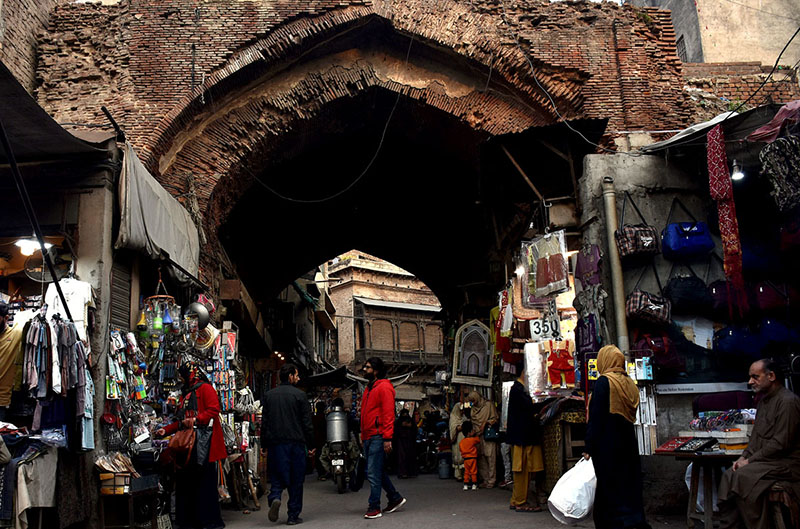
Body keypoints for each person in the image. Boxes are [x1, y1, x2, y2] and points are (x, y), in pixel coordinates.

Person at [718, 358, 800, 529]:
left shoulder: (788, 401)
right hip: (765, 461)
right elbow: (756, 438)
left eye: (755, 377)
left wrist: (749, 462)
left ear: (771, 376)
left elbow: (781, 443)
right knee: (729, 474)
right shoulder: (763, 401)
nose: (750, 382)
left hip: (786, 464)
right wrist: (743, 457)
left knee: (742, 476)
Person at [583, 345, 650, 529]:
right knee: (629, 489)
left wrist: (588, 447)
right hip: (628, 445)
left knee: (608, 491)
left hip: (608, 447)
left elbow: (596, 419)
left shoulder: (605, 382)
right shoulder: (629, 383)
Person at [156, 362, 226, 529]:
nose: (180, 377)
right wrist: (165, 431)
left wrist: (196, 419)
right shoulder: (185, 393)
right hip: (188, 445)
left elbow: (214, 410)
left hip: (203, 444)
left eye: (182, 374)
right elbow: (181, 421)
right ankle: (189, 521)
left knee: (204, 483)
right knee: (187, 483)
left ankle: (208, 521)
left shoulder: (206, 389)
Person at [260, 363, 315, 526]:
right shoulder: (300, 395)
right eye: (296, 375)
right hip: (296, 444)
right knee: (296, 480)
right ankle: (292, 516)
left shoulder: (269, 395)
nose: (298, 378)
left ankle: (275, 497)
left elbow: (265, 423)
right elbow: (307, 423)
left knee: (277, 476)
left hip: (276, 444)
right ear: (290, 376)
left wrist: (264, 445)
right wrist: (311, 444)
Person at [360, 357, 406, 519]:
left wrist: (387, 438)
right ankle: (394, 497)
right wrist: (363, 434)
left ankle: (374, 507)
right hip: (368, 436)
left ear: (377, 370)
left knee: (372, 472)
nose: (365, 370)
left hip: (378, 436)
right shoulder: (369, 388)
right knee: (376, 470)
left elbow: (388, 414)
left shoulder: (384, 387)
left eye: (368, 367)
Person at [506, 369, 544, 513]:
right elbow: (530, 407)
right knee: (521, 470)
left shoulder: (521, 389)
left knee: (525, 470)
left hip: (523, 436)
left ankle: (518, 499)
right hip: (522, 437)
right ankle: (519, 501)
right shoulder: (518, 389)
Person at [466, 390, 499, 488]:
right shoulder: (473, 409)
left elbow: (495, 418)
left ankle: (492, 480)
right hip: (477, 436)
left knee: (491, 458)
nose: (473, 403)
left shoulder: (488, 405)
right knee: (481, 458)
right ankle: (485, 479)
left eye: (474, 400)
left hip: (488, 435)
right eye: (471, 401)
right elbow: (472, 422)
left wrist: (486, 423)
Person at [394, 409, 417, 478]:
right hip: (401, 441)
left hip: (410, 441)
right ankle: (403, 472)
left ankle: (410, 472)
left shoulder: (411, 421)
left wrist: (409, 426)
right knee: (402, 457)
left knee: (410, 456)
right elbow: (396, 431)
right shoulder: (398, 422)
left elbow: (414, 429)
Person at [458, 420, 480, 490]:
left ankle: (466, 484)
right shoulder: (472, 440)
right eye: (472, 430)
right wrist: (476, 433)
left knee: (466, 472)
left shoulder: (461, 442)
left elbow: (460, 450)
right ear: (469, 433)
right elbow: (478, 440)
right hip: (473, 458)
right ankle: (474, 484)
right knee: (473, 471)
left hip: (465, 459)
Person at [449, 402, 467, 480]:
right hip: (457, 440)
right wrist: (460, 427)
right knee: (458, 456)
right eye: (461, 410)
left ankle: (465, 475)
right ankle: (458, 475)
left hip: (464, 439)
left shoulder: (464, 417)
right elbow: (453, 428)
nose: (462, 412)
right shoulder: (453, 417)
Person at [312, 401, 328, 480]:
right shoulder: (324, 418)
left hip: (317, 440)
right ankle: (323, 472)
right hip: (323, 440)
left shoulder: (315, 418)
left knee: (319, 455)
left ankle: (321, 473)